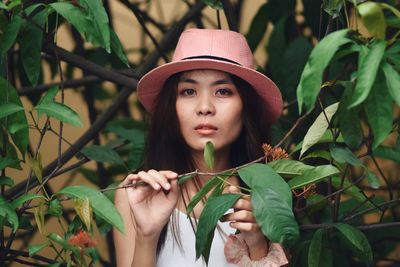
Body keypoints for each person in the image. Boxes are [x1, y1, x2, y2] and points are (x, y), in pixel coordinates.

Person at [113, 28, 289, 267]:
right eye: (188, 91)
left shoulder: (267, 194)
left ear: (246, 106)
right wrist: (147, 235)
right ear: (171, 106)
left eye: (223, 91)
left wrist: (258, 245)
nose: (205, 107)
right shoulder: (137, 195)